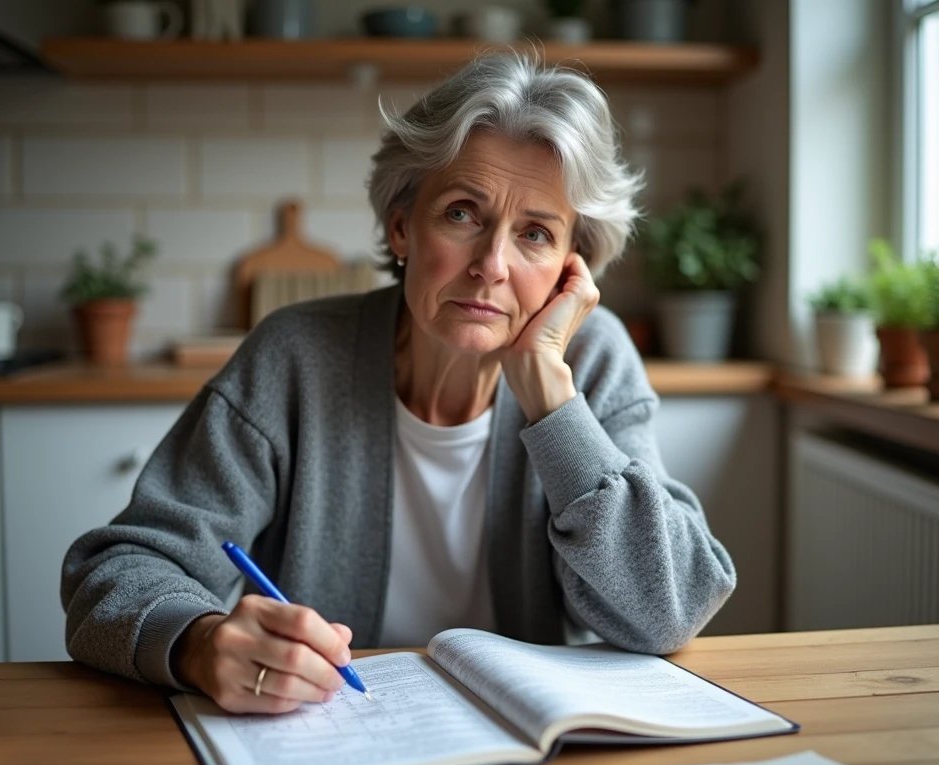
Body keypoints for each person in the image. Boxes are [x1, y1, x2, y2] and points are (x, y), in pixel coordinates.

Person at [60, 54, 736, 715]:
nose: (492, 266)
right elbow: (115, 572)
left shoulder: (592, 363)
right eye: (463, 214)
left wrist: (553, 404)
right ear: (402, 226)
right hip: (328, 741)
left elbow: (670, 608)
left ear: (570, 269)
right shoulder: (294, 355)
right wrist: (198, 643)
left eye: (535, 233)